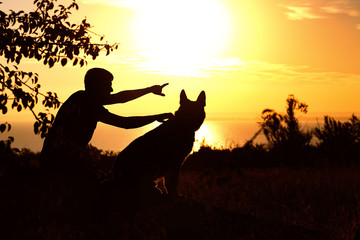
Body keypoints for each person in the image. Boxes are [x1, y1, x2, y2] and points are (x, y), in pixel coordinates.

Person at [39, 68, 173, 175]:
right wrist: (155, 117)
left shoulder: (81, 96)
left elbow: (120, 98)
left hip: (56, 161)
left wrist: (149, 90)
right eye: (108, 85)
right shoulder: (88, 104)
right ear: (98, 87)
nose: (111, 89)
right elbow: (125, 123)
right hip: (60, 164)